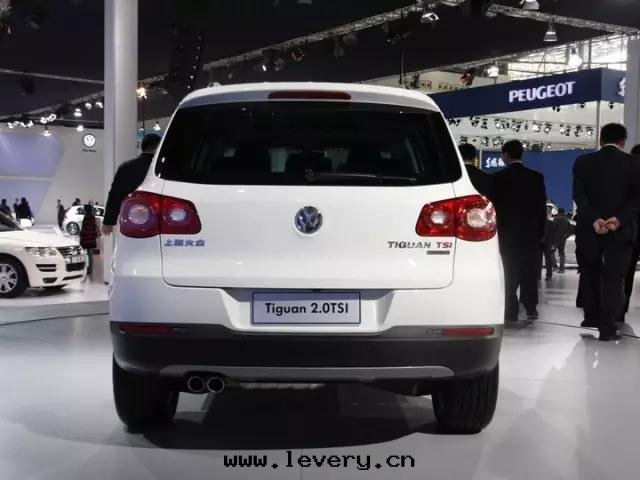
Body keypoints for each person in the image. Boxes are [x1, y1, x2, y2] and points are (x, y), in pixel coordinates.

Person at [573, 124, 640, 341]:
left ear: (601, 140)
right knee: (614, 278)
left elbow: (579, 196)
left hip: (589, 229)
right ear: (622, 141)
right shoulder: (635, 164)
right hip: (620, 231)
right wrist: (618, 219)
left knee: (589, 273)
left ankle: (591, 316)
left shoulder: (583, 162)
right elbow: (636, 200)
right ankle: (608, 326)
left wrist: (595, 219)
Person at [492, 140, 547, 323]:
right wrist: (541, 232)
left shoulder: (498, 177)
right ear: (521, 154)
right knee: (529, 271)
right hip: (530, 233)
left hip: (506, 234)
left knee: (509, 270)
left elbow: (495, 208)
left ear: (506, 155)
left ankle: (511, 310)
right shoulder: (536, 177)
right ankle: (531, 306)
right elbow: (541, 208)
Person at [103, 133, 162, 235]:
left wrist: (109, 221)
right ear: (158, 147)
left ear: (142, 147)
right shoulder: (163, 169)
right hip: (158, 220)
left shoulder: (125, 167)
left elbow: (115, 195)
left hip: (130, 219)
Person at [621, 143, 640, 322]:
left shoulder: (626, 178)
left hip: (629, 231)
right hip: (630, 230)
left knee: (626, 272)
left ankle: (620, 311)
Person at [79, 202, 100, 275]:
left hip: (85, 239)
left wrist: (81, 236)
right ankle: (90, 269)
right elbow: (93, 228)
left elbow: (84, 229)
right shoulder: (92, 217)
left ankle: (84, 268)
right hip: (91, 239)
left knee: (83, 254)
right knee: (90, 255)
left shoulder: (86, 217)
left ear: (86, 210)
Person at [552, 208, 573, 274]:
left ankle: (555, 266)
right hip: (563, 239)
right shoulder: (566, 220)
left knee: (551, 252)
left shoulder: (556, 219)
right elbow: (571, 230)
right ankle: (562, 269)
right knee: (561, 253)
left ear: (558, 212)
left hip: (555, 239)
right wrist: (566, 236)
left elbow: (552, 228)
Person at [543, 205, 557, 281]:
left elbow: (553, 233)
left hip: (547, 242)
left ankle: (549, 275)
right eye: (547, 209)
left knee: (548, 259)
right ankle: (537, 275)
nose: (547, 211)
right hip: (541, 242)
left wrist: (553, 244)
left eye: (549, 210)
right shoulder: (542, 220)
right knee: (538, 259)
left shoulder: (552, 221)